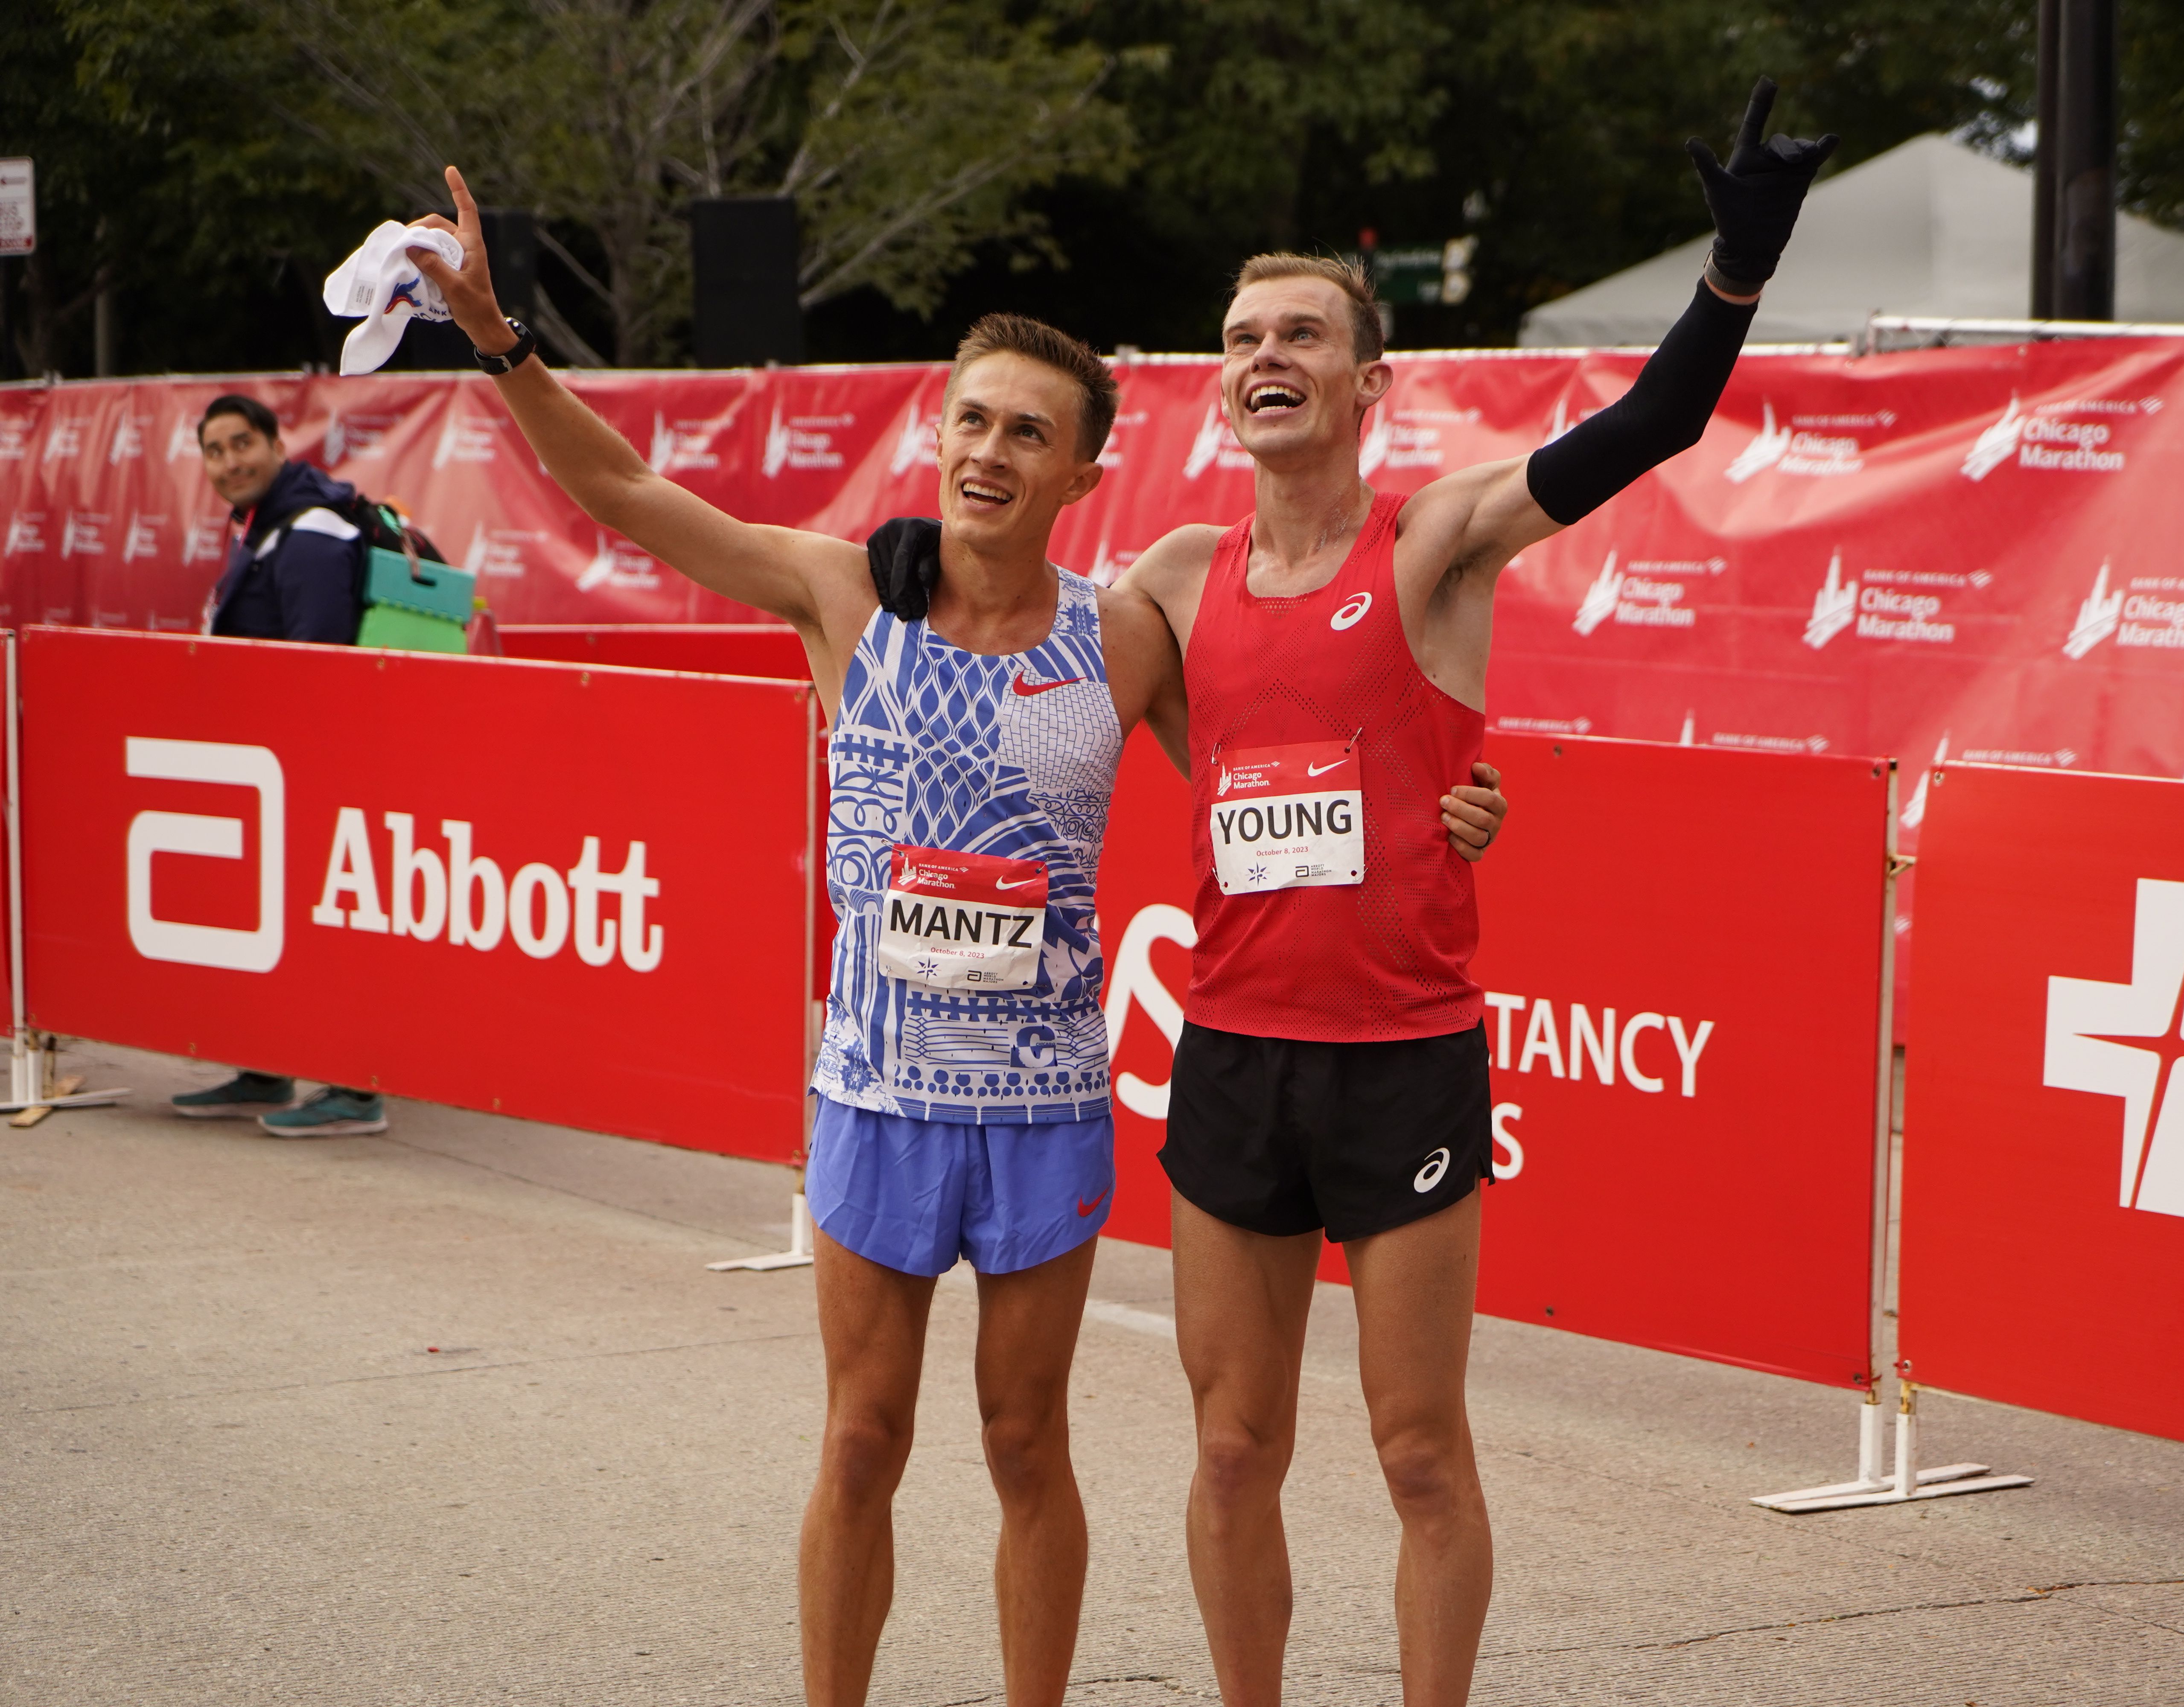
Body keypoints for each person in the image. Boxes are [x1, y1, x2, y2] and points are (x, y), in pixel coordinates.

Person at [401, 164, 1508, 1707]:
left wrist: (1452, 807)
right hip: (874, 1094)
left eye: (1027, 433)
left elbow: (1290, 768)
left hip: (1046, 1106)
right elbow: (628, 499)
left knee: (1020, 1440)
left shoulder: (1121, 634)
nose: (989, 451)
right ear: (941, 437)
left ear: (1080, 477)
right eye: (971, 422)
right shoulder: (845, 591)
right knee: (861, 1439)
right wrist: (502, 342)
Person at [1113, 78, 1834, 1707]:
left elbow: (1648, 433)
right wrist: (901, 565)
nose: (1266, 356)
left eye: (1301, 334)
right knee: (1231, 1450)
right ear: (1220, 381)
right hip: (1229, 1050)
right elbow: (1044, 688)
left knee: (1421, 1452)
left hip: (1399, 1055)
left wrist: (1732, 283)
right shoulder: (1166, 581)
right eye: (1243, 337)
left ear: (1369, 382)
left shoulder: (1434, 544)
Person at [171, 394, 390, 1138]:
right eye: (215, 451)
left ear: (275, 444)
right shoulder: (263, 526)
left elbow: (318, 670)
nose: (230, 463)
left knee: (329, 928)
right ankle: (268, 1066)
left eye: (243, 445)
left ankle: (355, 1090)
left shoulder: (311, 532)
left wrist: (304, 763)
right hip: (272, 767)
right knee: (277, 926)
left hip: (320, 767)